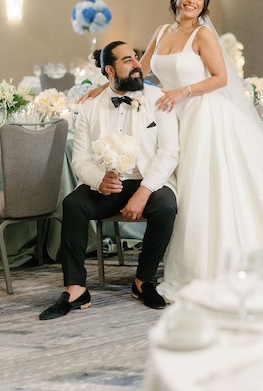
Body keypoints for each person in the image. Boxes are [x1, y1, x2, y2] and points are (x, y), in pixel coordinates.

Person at [82, 0, 263, 302]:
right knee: (189, 188)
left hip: (204, 115)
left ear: (204, 4)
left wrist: (182, 91)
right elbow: (138, 71)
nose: (191, 1)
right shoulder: (161, 32)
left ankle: (216, 262)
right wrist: (105, 85)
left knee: (206, 188)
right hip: (175, 117)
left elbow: (220, 78)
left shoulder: (203, 35)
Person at [39, 41, 179, 320]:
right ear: (110, 70)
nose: (137, 64)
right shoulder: (90, 107)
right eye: (128, 60)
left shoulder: (157, 98)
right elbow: (79, 159)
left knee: (165, 206)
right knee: (73, 203)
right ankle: (76, 289)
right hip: (107, 184)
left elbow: (169, 152)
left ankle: (143, 281)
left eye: (136, 58)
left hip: (148, 180)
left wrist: (144, 191)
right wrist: (98, 181)